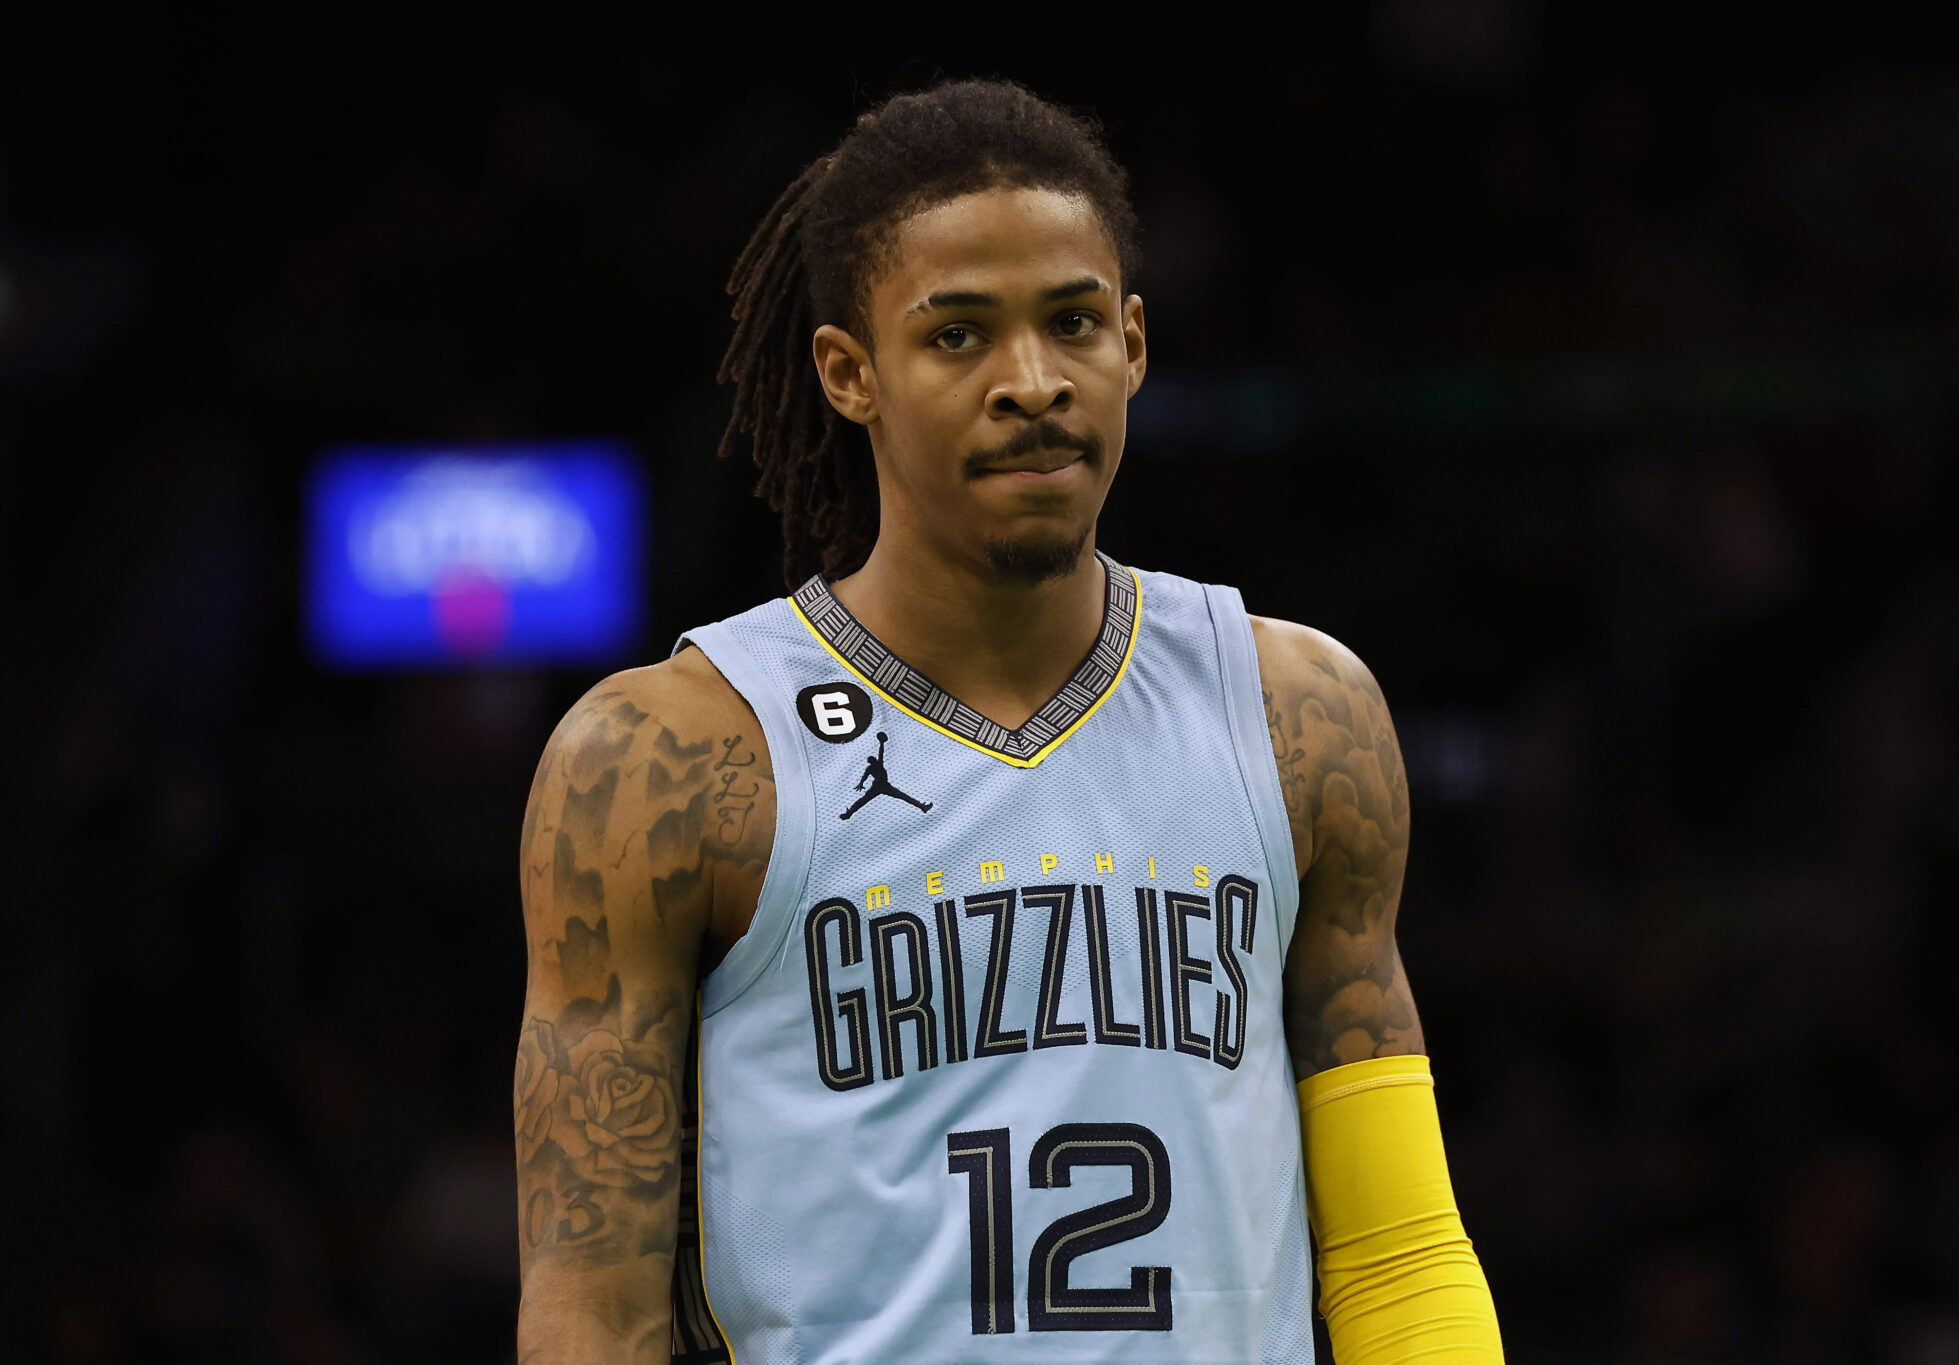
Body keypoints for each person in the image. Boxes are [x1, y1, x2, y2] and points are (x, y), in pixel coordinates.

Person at [514, 78, 1504, 1364]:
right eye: (958, 336)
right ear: (849, 373)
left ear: (1132, 346)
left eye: (1071, 323)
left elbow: (1397, 1254)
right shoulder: (671, 760)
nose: (1031, 383)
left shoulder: (1298, 716)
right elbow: (593, 1309)